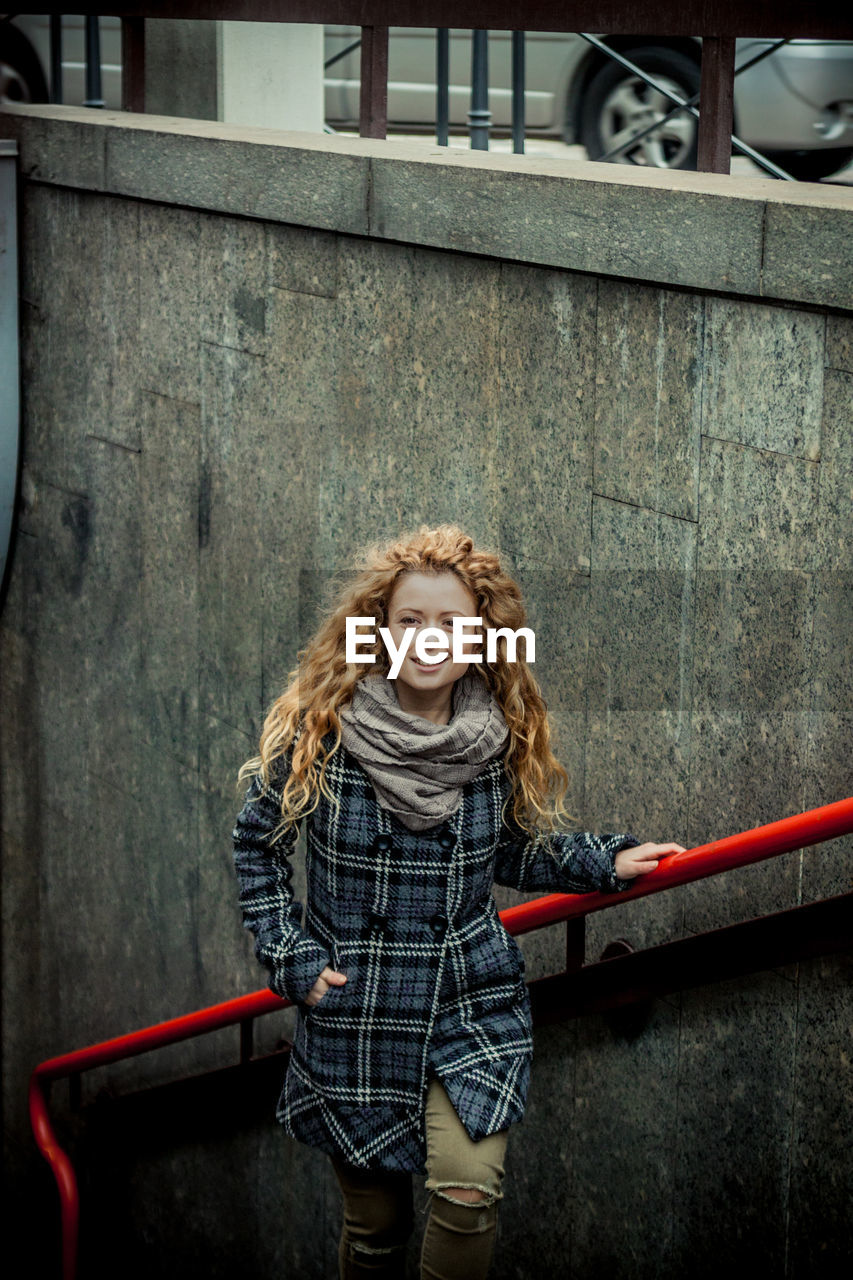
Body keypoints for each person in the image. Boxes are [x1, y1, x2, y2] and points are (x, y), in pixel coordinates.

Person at [232, 523, 686, 1280]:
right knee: (375, 1230)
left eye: (451, 622)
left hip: (466, 1002)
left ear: (481, 638)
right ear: (381, 629)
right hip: (355, 1009)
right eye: (410, 619)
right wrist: (290, 957)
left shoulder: (492, 739)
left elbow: (508, 851)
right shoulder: (321, 735)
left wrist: (602, 858)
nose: (429, 639)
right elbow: (258, 846)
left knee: (468, 1197)